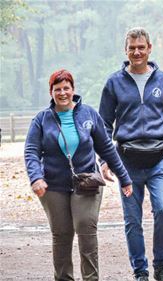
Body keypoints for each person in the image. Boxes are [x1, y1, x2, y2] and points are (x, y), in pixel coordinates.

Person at [24, 69, 133, 281]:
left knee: (85, 227)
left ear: (73, 90)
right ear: (51, 92)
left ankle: (90, 278)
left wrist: (124, 178)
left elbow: (107, 148)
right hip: (54, 185)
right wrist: (36, 177)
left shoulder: (89, 114)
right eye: (57, 89)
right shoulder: (42, 119)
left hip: (87, 183)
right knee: (62, 234)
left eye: (66, 88)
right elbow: (31, 151)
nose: (62, 93)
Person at [99, 27, 163, 281]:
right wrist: (105, 160)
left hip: (159, 160)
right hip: (127, 162)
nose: (137, 52)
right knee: (132, 219)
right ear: (126, 50)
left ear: (149, 49)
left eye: (141, 47)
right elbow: (103, 125)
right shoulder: (114, 83)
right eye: (132, 48)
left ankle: (161, 266)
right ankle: (140, 270)